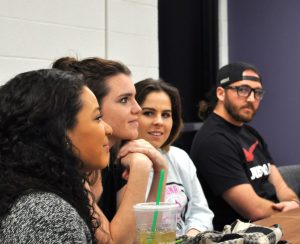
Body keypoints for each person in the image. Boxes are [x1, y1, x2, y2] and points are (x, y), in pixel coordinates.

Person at [52, 57, 167, 236]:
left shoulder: (116, 158)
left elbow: (148, 235)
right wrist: (141, 168)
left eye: (134, 98)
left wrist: (161, 171)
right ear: (92, 105)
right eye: (124, 100)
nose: (137, 108)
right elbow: (118, 242)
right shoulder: (68, 166)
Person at [0, 69, 117, 243]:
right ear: (61, 134)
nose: (109, 129)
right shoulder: (47, 216)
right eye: (97, 117)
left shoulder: (34, 201)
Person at [190, 62, 300, 231]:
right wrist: (289, 210)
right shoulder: (213, 141)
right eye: (243, 90)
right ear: (221, 93)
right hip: (243, 233)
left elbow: (280, 185)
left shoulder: (250, 133)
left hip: (276, 222)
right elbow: (252, 209)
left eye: (257, 92)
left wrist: (293, 202)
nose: (251, 98)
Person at [135, 78, 214, 236]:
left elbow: (201, 212)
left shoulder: (179, 157)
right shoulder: (119, 165)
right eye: (148, 113)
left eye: (166, 115)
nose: (159, 122)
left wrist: (191, 237)